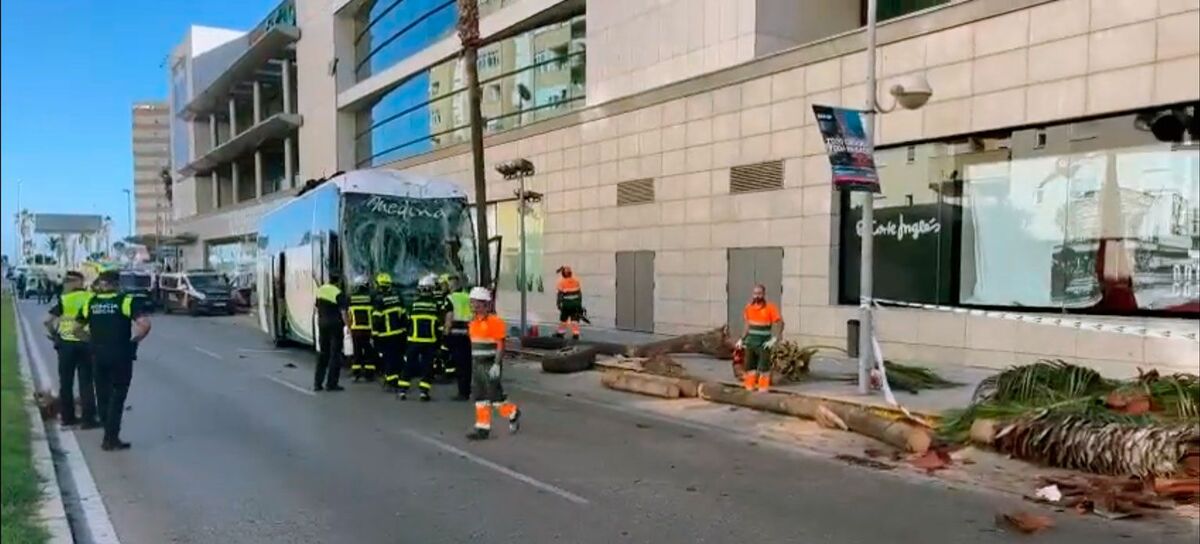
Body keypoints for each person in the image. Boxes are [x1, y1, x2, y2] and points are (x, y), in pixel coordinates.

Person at [77, 270, 152, 450]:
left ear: (101, 284)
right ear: (117, 284)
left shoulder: (91, 302)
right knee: (118, 396)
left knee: (102, 395)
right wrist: (134, 340)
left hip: (98, 354)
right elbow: (145, 325)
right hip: (120, 354)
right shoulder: (125, 301)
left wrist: (91, 340)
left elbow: (75, 328)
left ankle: (107, 433)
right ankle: (110, 438)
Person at [44, 271, 98, 428]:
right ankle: (89, 419)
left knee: (66, 383)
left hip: (66, 344)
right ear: (81, 283)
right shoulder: (91, 298)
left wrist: (55, 335)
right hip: (86, 343)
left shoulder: (65, 299)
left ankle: (68, 417)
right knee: (86, 382)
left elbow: (47, 321)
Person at [466, 287, 520, 440]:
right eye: (472, 302)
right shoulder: (473, 322)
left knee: (495, 399)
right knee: (479, 396)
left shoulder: (495, 322)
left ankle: (513, 412)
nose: (473, 306)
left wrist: (497, 364)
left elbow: (500, 344)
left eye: (476, 303)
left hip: (490, 364)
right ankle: (482, 428)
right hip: (477, 364)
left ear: (485, 305)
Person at [399, 274, 442, 401]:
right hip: (430, 341)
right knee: (427, 367)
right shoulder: (436, 304)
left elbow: (408, 321)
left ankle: (403, 390)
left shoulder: (414, 304)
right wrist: (439, 341)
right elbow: (438, 325)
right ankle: (423, 392)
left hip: (413, 340)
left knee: (408, 365)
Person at [735, 284, 784, 392]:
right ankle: (749, 389)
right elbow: (747, 325)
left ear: (763, 295)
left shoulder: (770, 308)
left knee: (764, 369)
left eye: (759, 293)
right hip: (750, 343)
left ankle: (762, 392)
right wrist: (742, 339)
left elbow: (780, 323)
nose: (757, 296)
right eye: (755, 293)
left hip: (764, 344)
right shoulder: (748, 308)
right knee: (749, 369)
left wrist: (775, 338)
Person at [371, 272, 406, 391]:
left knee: (388, 358)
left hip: (386, 335)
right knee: (397, 357)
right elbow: (403, 315)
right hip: (399, 333)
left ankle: (391, 382)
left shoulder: (379, 300)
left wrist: (375, 335)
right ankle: (397, 380)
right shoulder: (397, 297)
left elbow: (376, 319)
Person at [441, 273, 473, 401]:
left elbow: (449, 316)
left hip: (455, 334)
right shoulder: (468, 297)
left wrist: (446, 331)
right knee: (467, 364)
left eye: (449, 284)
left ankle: (462, 393)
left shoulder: (450, 298)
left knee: (459, 364)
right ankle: (467, 390)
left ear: (452, 285)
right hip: (468, 333)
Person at [314, 273, 348, 392]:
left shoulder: (321, 290)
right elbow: (344, 312)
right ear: (339, 281)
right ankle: (331, 384)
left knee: (323, 354)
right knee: (335, 354)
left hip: (322, 324)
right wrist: (348, 326)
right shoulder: (338, 293)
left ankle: (317, 383)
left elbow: (317, 307)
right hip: (335, 326)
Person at [346, 276, 377, 382]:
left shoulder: (351, 297)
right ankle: (369, 374)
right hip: (368, 329)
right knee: (369, 352)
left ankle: (356, 373)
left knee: (357, 352)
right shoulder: (371, 297)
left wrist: (349, 327)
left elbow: (348, 314)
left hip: (355, 329)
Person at [555, 266, 583, 340]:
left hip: (567, 304)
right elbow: (579, 294)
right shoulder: (576, 281)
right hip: (576, 304)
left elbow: (560, 295)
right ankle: (576, 334)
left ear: (563, 274)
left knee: (563, 319)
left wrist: (558, 304)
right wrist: (579, 304)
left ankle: (561, 334)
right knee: (575, 320)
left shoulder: (562, 282)